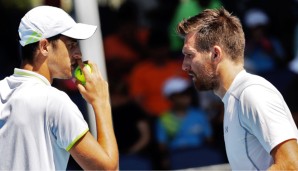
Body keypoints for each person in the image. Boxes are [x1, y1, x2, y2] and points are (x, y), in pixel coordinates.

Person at [177, 7, 298, 170]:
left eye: (190, 55)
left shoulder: (252, 94)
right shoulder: (235, 99)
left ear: (215, 54)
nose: (184, 66)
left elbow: (291, 165)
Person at [0, 6, 118, 170]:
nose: (78, 54)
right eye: (71, 45)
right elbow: (107, 169)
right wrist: (101, 103)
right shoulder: (55, 101)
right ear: (44, 46)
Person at [155, 76, 214, 169]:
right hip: (177, 156)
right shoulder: (164, 119)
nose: (186, 97)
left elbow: (209, 139)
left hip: (200, 154)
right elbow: (162, 145)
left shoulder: (199, 115)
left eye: (188, 93)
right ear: (171, 98)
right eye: (181, 94)